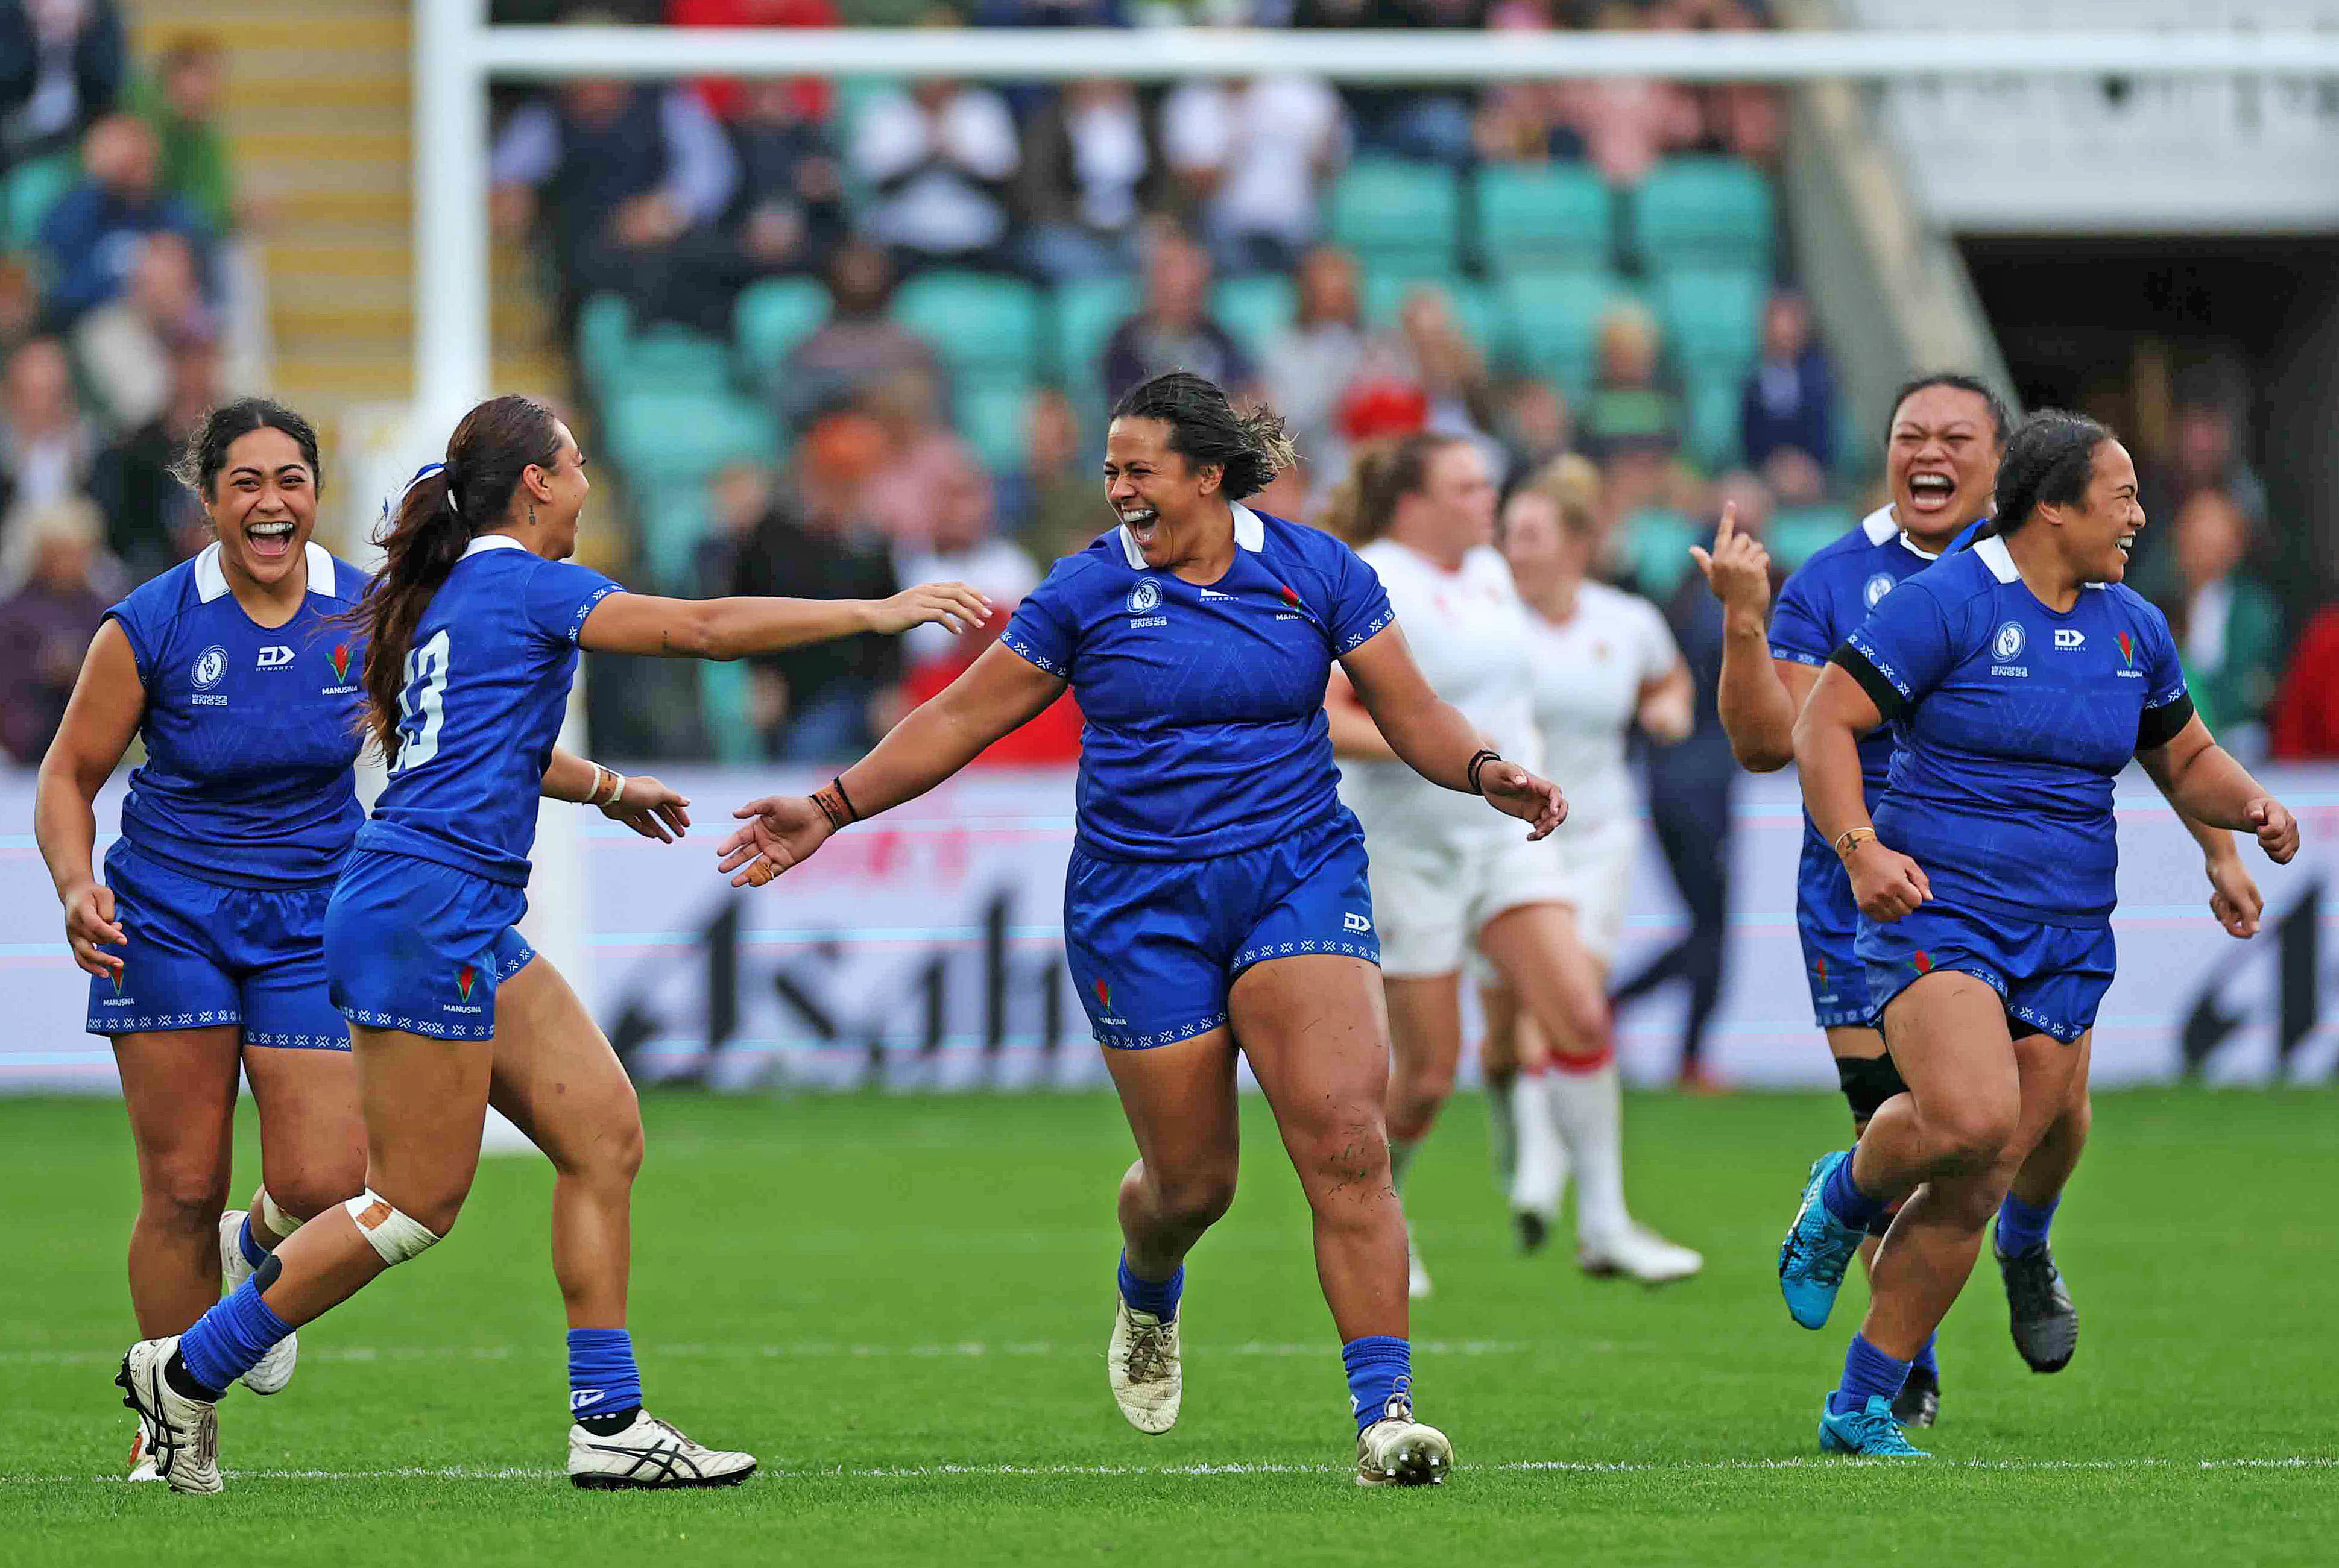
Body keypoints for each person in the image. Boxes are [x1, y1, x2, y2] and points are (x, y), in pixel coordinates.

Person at [112, 393, 992, 1494]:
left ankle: (608, 1422)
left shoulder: (446, 594)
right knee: (412, 1204)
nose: (586, 484)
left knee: (603, 1131)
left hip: (435, 903)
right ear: (536, 484)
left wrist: (605, 787)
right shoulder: (522, 581)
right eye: (575, 466)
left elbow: (477, 751)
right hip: (429, 909)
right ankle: (188, 1369)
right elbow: (702, 631)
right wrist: (876, 611)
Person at [716, 371, 1565, 1485]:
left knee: (1348, 1143)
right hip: (1138, 904)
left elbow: (1403, 708)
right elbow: (958, 717)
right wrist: (827, 808)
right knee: (1192, 1186)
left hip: (1294, 878)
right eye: (1109, 469)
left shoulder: (1316, 570)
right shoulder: (1081, 593)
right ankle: (1146, 1287)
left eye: (1137, 470)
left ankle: (1384, 1415)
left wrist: (1483, 768)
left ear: (1206, 476)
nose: (1115, 489)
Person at [1697, 374, 2264, 1426]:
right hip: (1930, 907)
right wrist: (1859, 846)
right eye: (2121, 494)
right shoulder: (1933, 599)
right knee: (1964, 1117)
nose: (2141, 515)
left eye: (1954, 434)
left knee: (1990, 1161)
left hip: (2064, 928)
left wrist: (2245, 820)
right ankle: (1842, 1195)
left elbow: (2178, 753)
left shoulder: (2130, 623)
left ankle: (1864, 1402)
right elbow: (1806, 728)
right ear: (2050, 501)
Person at [31, 401, 371, 1484]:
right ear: (209, 497)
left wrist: (588, 784)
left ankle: (258, 1245)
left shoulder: (370, 616)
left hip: (314, 911)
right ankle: (173, 1428)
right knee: (180, 1186)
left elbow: (452, 741)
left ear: (316, 493)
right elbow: (67, 777)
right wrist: (79, 883)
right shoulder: (150, 622)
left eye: (290, 480)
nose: (270, 502)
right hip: (168, 915)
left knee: (330, 1180)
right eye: (245, 483)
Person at [1318, 433, 1697, 1294]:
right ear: (1414, 500)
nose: (1489, 498)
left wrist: (1512, 769)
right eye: (1468, 485)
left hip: (1502, 836)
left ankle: (1603, 1224)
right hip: (1407, 848)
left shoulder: (1489, 573)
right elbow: (1330, 715)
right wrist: (1451, 759)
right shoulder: (1366, 576)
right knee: (1421, 1074)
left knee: (1578, 1014)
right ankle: (1382, 1219)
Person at [1477, 461, 1702, 1279]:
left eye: (1529, 535)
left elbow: (1666, 678)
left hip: (1597, 834)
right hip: (1506, 836)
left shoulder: (1628, 620)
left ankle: (1554, 1190)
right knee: (1505, 1035)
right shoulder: (1484, 621)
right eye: (1505, 533)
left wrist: (1667, 707)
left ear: (1577, 544)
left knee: (1572, 1000)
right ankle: (1520, 1141)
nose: (1511, 548)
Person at [1, 493, 111, 764]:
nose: (71, 562)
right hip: (28, 749)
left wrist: (78, 670)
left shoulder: (103, 609)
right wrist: (44, 670)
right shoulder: (14, 612)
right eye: (61, 553)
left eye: (79, 552)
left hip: (95, 745)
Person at [1099, 230, 1256, 407]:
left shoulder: (1220, 340)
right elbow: (1125, 414)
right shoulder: (1126, 345)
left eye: (1196, 281)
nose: (1188, 280)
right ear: (1153, 281)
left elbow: (1249, 397)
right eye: (1176, 271)